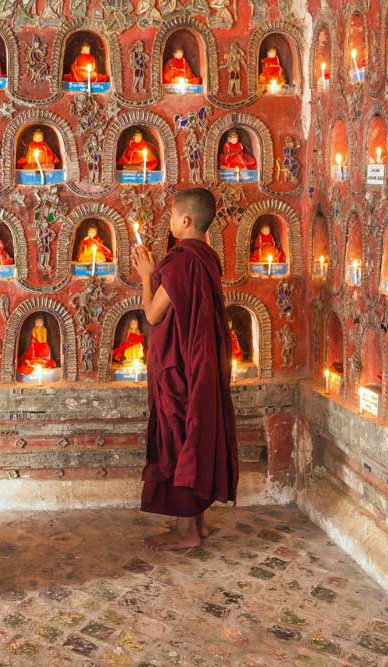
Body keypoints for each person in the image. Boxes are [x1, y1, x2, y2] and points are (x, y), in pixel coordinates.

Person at [131, 187, 238, 549]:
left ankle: (187, 532)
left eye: (174, 216)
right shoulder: (207, 258)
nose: (171, 221)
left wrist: (146, 274)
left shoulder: (180, 261)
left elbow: (151, 314)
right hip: (200, 364)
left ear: (186, 220)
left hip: (178, 369)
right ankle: (197, 525)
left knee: (180, 438)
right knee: (194, 434)